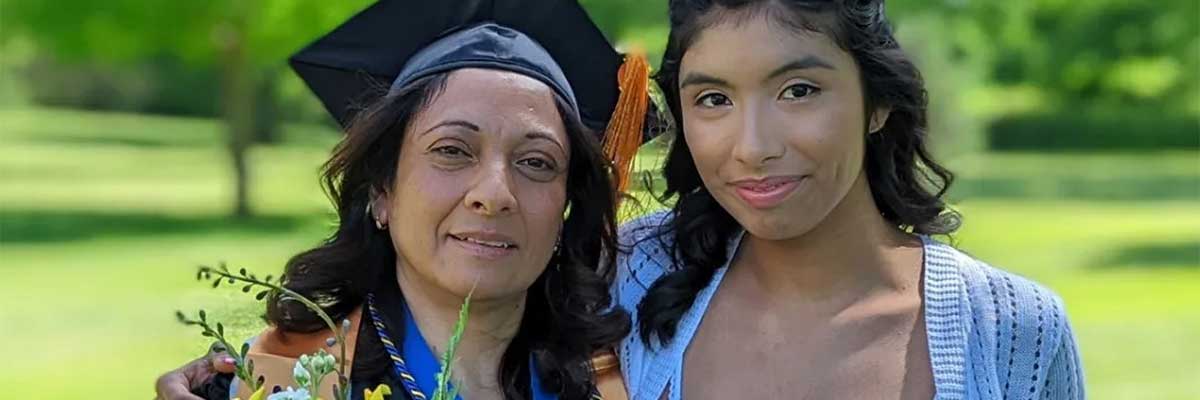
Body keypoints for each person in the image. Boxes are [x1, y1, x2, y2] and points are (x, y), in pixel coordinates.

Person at [155, 0, 656, 398]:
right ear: (381, 191)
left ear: (567, 205)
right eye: (452, 151)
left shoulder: (633, 379)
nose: (495, 194)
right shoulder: (272, 383)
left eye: (536, 162)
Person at [614, 1, 1085, 399]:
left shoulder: (1016, 331)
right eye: (714, 99)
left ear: (877, 103)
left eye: (798, 91)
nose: (753, 147)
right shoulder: (625, 277)